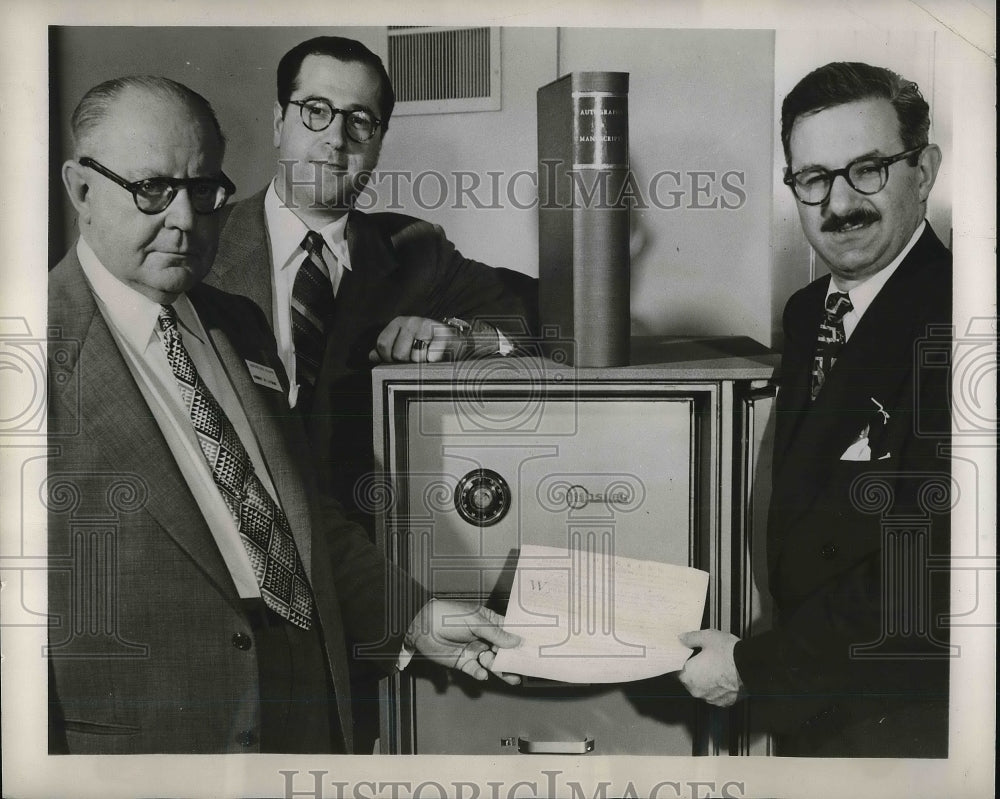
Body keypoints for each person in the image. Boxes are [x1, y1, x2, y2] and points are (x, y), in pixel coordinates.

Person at [47, 75, 518, 755]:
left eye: (203, 190)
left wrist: (412, 616)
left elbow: (294, 513)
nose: (184, 220)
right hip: (151, 745)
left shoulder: (236, 324)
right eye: (151, 188)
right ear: (81, 189)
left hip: (308, 706)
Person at [678, 62, 952, 757]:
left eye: (868, 169)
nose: (840, 204)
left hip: (910, 725)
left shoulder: (962, 321)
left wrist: (752, 667)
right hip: (822, 705)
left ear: (922, 172)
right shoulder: (810, 312)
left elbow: (930, 573)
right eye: (814, 178)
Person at [205, 35, 536, 526]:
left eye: (359, 120)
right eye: (315, 110)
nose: (336, 139)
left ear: (379, 142)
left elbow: (554, 315)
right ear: (279, 124)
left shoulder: (414, 250)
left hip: (368, 544)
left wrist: (466, 341)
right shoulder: (199, 243)